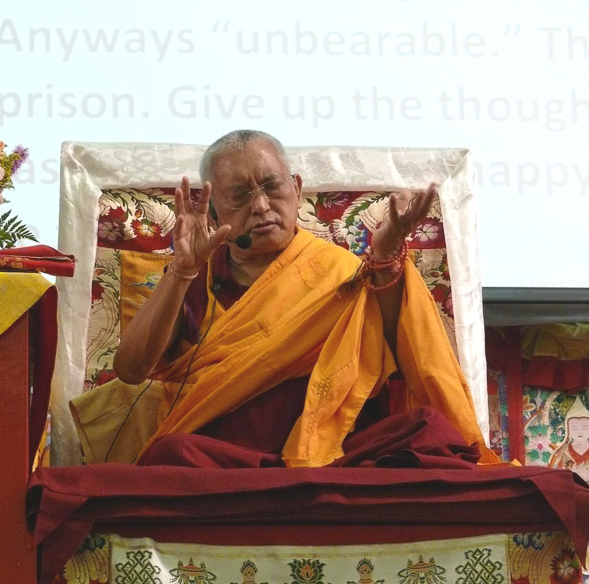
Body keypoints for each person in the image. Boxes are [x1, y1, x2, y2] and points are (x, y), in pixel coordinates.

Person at [113, 130, 496, 469]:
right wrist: (182, 271)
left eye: (272, 187)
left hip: (335, 454)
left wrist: (387, 256)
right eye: (240, 195)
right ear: (213, 212)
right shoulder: (197, 279)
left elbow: (403, 350)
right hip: (228, 461)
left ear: (296, 190)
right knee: (172, 454)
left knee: (429, 431)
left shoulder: (343, 272)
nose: (261, 206)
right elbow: (131, 369)